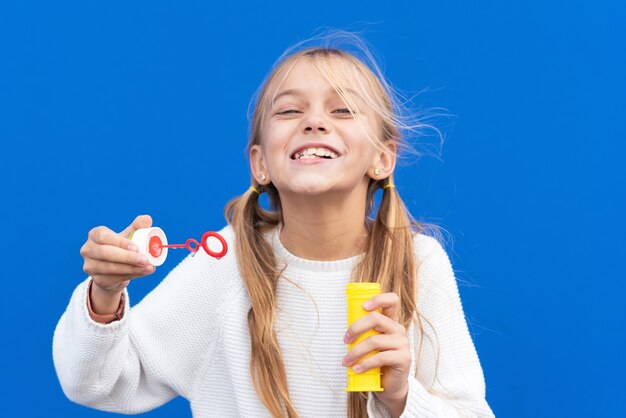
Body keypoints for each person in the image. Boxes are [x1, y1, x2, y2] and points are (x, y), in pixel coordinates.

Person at [53, 31, 495, 418]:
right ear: (260, 163)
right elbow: (96, 384)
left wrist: (401, 398)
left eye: (342, 110)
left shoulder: (418, 264)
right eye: (288, 112)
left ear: (383, 157)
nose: (314, 121)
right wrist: (104, 297)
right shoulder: (225, 264)